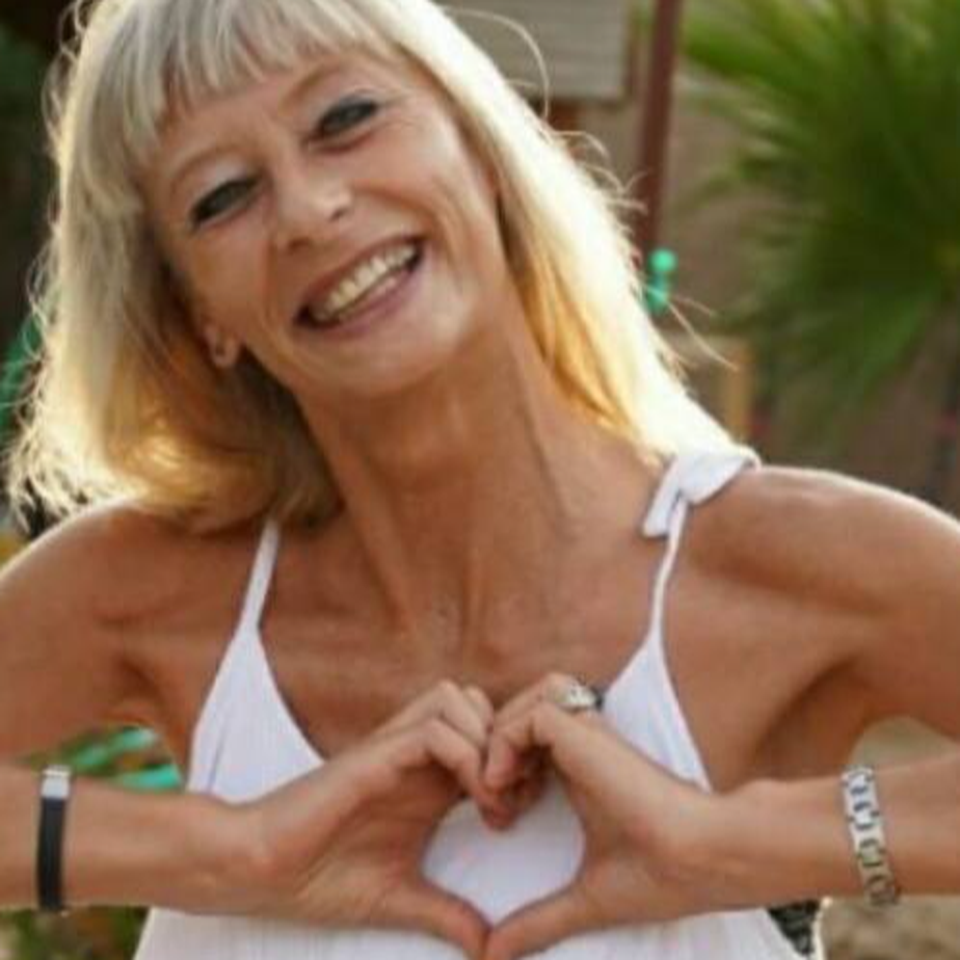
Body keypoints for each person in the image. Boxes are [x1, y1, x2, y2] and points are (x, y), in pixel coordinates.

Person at [0, 0, 957, 958]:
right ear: (200, 315)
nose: (308, 211)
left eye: (346, 119)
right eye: (221, 197)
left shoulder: (781, 562)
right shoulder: (160, 593)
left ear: (483, 148)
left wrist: (729, 844)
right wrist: (236, 853)